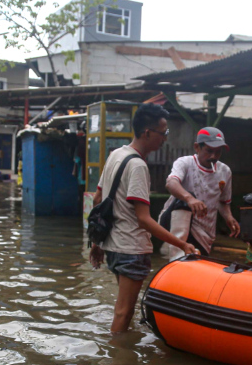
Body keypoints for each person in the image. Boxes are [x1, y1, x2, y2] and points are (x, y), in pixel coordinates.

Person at [89, 104, 198, 333]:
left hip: (114, 248)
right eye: (163, 133)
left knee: (124, 309)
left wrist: (97, 243)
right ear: (147, 133)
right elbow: (143, 220)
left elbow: (98, 198)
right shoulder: (138, 166)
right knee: (124, 312)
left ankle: (120, 355)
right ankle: (117, 364)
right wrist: (182, 244)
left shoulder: (115, 155)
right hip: (131, 249)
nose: (165, 139)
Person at [159, 126, 240, 254]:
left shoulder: (225, 171)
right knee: (185, 199)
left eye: (218, 152)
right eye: (209, 150)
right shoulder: (185, 163)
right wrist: (190, 199)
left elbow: (224, 202)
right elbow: (171, 183)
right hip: (174, 223)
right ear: (197, 147)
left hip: (205, 232)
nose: (213, 156)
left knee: (197, 263)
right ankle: (176, 254)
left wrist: (229, 217)